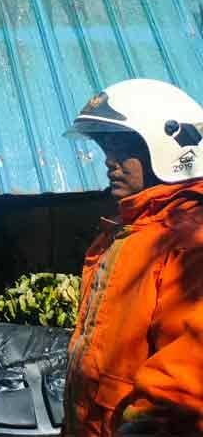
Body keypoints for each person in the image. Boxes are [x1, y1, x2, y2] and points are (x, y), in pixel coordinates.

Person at [64, 78, 203, 435]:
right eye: (105, 147)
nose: (110, 161)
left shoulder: (189, 241)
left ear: (168, 147)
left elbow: (184, 377)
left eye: (122, 148)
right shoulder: (127, 230)